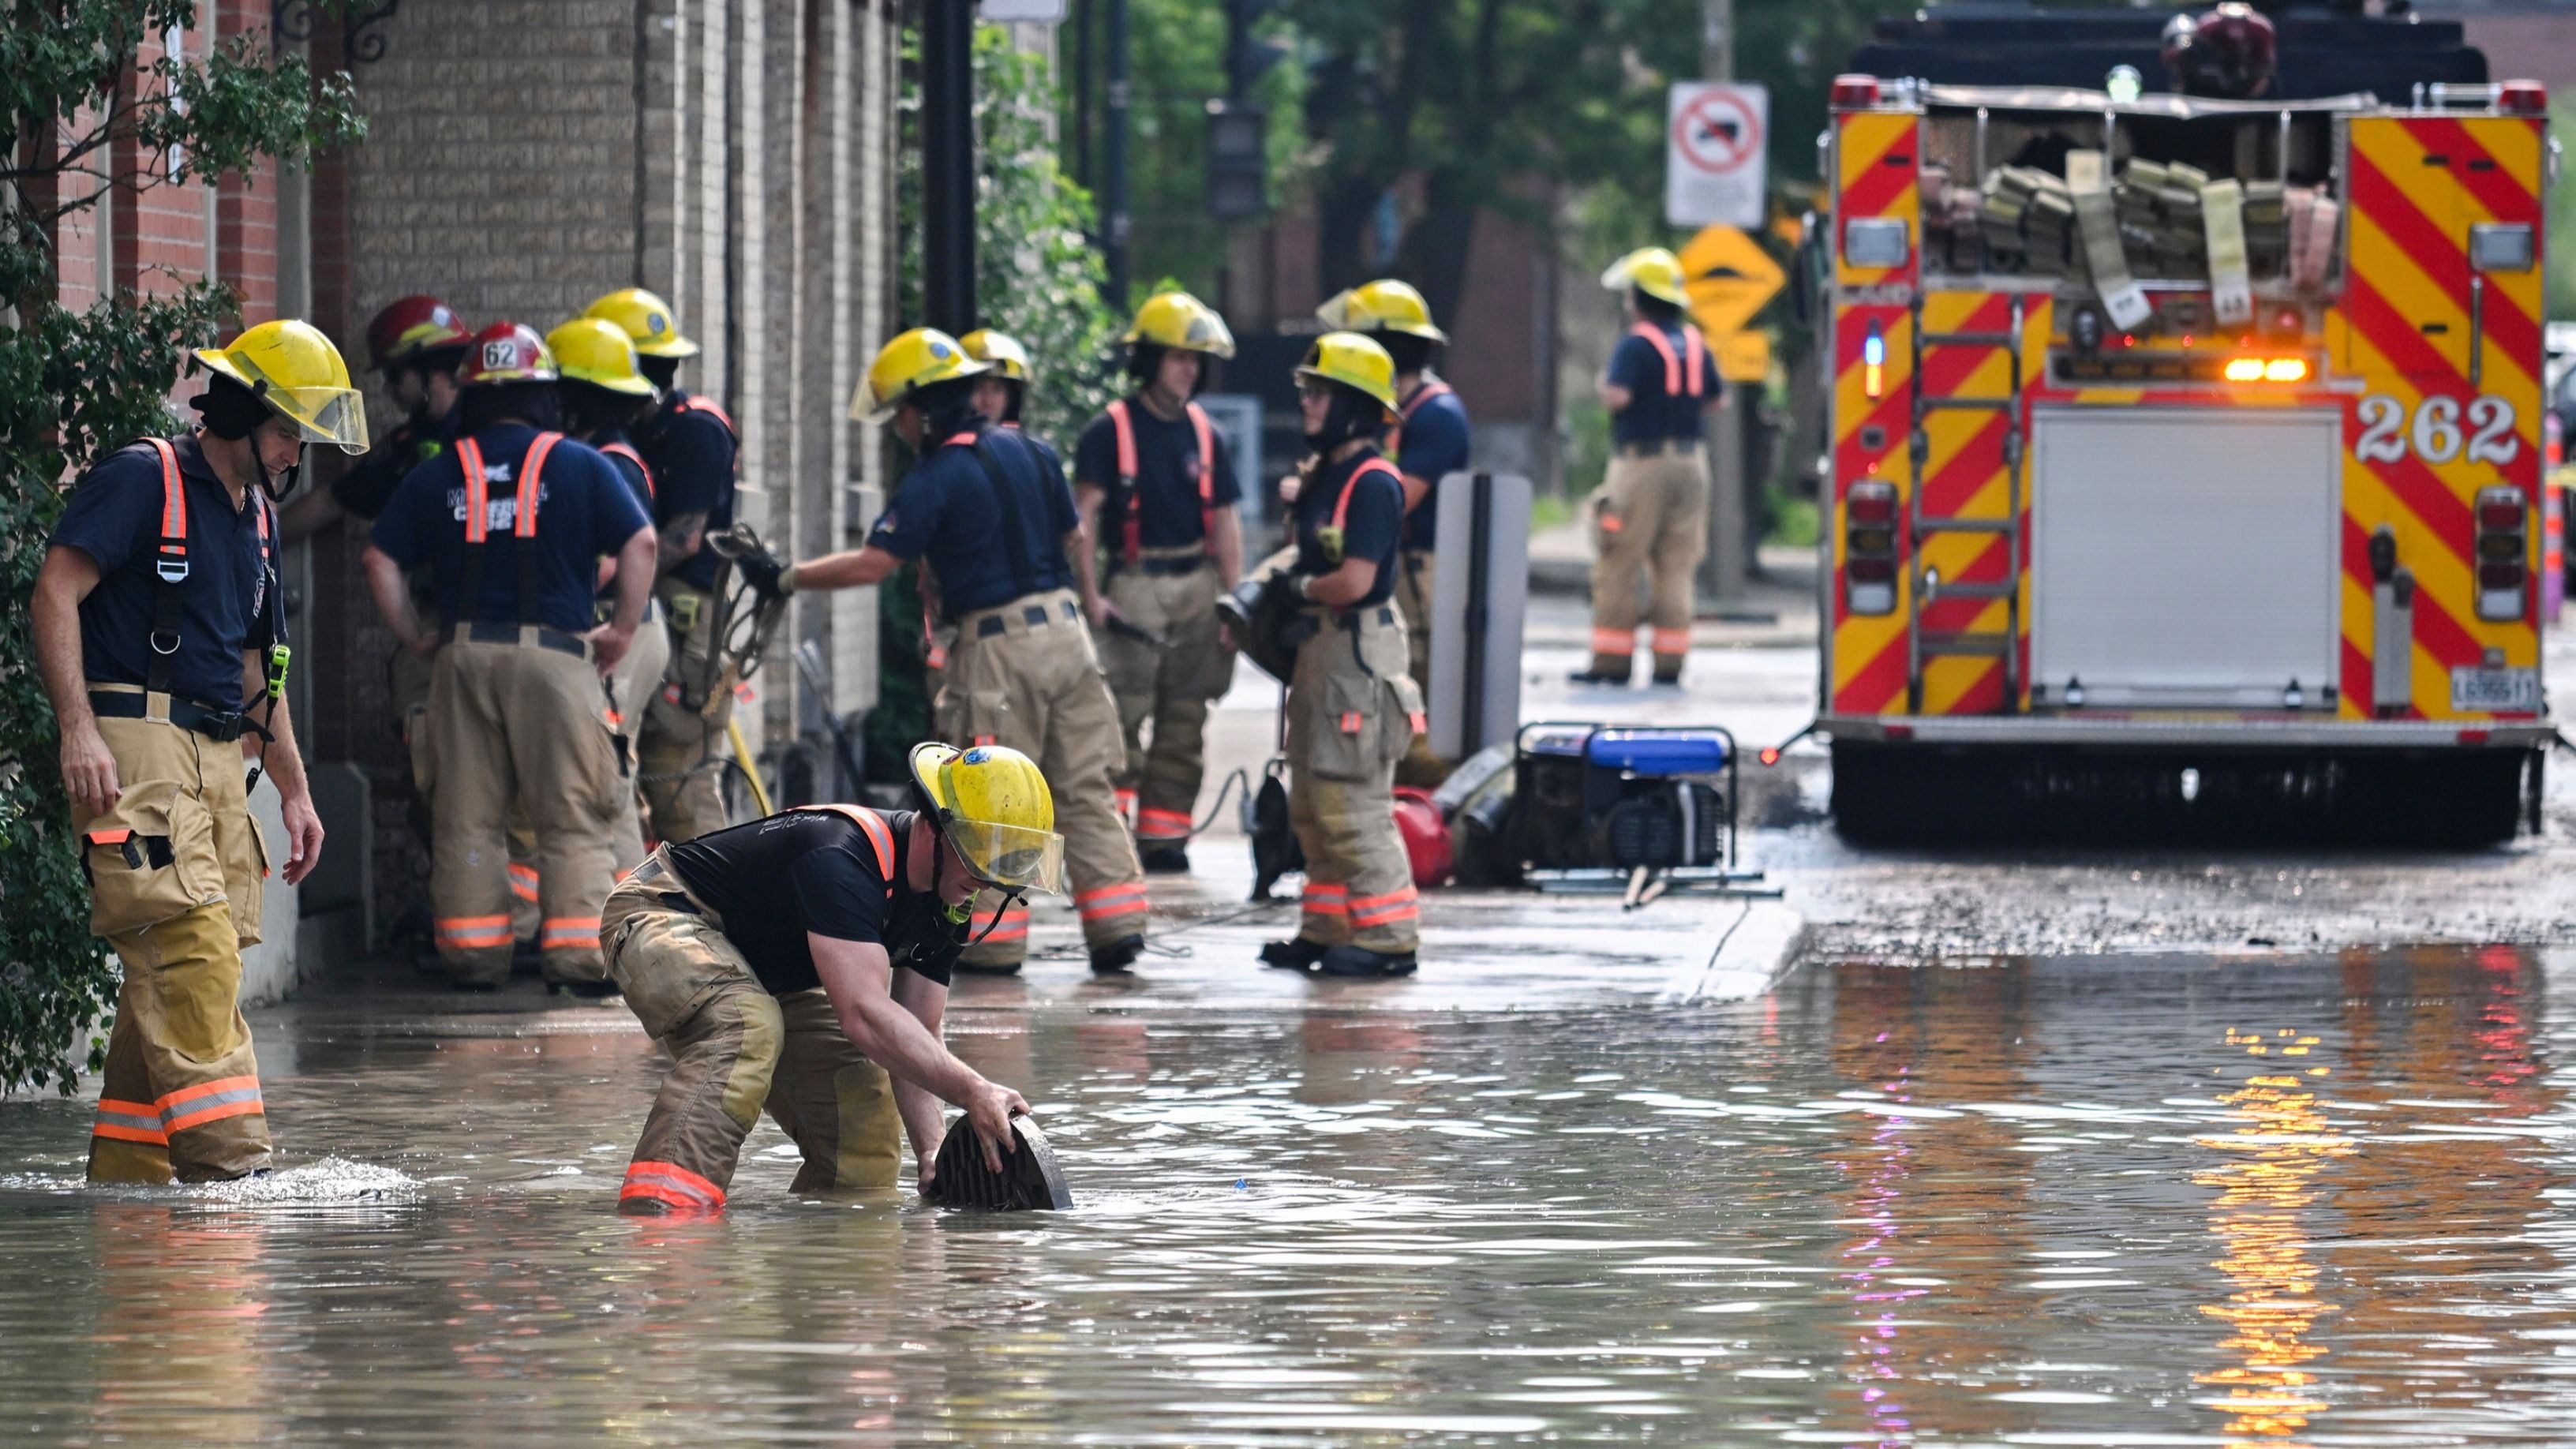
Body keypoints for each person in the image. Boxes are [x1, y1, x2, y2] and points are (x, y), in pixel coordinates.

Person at [32, 318, 364, 1182]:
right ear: (240, 413)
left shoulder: (253, 517)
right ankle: (236, 1180)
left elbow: (260, 671)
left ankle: (131, 1186)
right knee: (194, 955)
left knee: (180, 968)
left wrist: (292, 790)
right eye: (289, 431)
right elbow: (56, 590)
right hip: (136, 747)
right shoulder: (145, 479)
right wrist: (77, 727)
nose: (296, 456)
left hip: (220, 761)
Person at [777, 328, 1150, 975]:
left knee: (995, 796)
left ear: (924, 407)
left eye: (901, 414)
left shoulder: (938, 474)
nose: (899, 428)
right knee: (1085, 783)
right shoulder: (1033, 450)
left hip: (998, 647)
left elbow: (875, 563)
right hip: (1069, 638)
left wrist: (787, 576)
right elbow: (1074, 535)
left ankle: (997, 941)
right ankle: (1117, 924)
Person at [604, 741, 1054, 1211]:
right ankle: (660, 1222)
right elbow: (863, 1014)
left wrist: (933, 1151)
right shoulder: (842, 857)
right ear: (934, 825)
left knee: (861, 1111)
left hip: (756, 968)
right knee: (746, 1027)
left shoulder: (950, 902)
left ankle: (825, 1268)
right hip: (662, 909)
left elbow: (918, 1033)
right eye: (979, 853)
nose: (986, 881)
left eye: (1002, 864)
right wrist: (975, 1091)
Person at [362, 322, 657, 992]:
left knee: (466, 815)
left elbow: (378, 556)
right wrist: (623, 630)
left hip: (462, 659)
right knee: (572, 815)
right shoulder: (583, 464)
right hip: (555, 659)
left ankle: (473, 958)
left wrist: (414, 636)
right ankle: (582, 960)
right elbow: (640, 544)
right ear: (544, 394)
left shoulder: (442, 470)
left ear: (472, 394)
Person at [1256, 333, 1426, 979]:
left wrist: (1296, 587)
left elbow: (1354, 580)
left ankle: (1389, 938)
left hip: (1355, 650)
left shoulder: (1375, 482)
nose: (1307, 402)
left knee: (1350, 801)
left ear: (1355, 406)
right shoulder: (1329, 473)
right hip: (1324, 652)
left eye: (1319, 392)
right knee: (1312, 799)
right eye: (1307, 390)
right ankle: (1325, 928)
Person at [1073, 292, 1243, 871]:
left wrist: (1233, 603)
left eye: (1195, 360)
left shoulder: (1207, 434)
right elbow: (1085, 515)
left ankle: (1165, 840)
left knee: (1185, 719)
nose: (1189, 370)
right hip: (1133, 587)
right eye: (1177, 358)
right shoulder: (1109, 430)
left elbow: (1225, 521)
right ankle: (1115, 836)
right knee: (1120, 716)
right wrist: (1091, 594)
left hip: (1196, 582)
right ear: (1149, 361)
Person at [584, 287, 739, 844]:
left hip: (684, 617)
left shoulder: (696, 428)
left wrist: (604, 574)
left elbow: (684, 537)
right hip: (642, 608)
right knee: (622, 763)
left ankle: (722, 912)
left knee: (679, 779)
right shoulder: (630, 433)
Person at [1317, 279, 1469, 787]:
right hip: (1386, 565)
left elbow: (1401, 496)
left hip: (1419, 573)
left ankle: (1424, 808)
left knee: (1414, 696)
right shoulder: (1381, 408)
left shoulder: (1439, 415)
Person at [549, 316, 673, 869]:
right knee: (609, 771)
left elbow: (621, 554)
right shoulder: (609, 455)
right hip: (629, 629)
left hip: (622, 631)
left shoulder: (607, 462)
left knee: (606, 777)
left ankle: (628, 913)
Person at [1576, 246, 1717, 688]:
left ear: (1639, 297)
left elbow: (1618, 396)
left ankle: (1612, 664)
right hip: (1692, 463)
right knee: (1676, 565)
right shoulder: (1695, 343)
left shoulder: (1636, 344)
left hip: (1642, 464)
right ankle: (1669, 664)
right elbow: (1716, 399)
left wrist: (1604, 386)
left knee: (1619, 559)